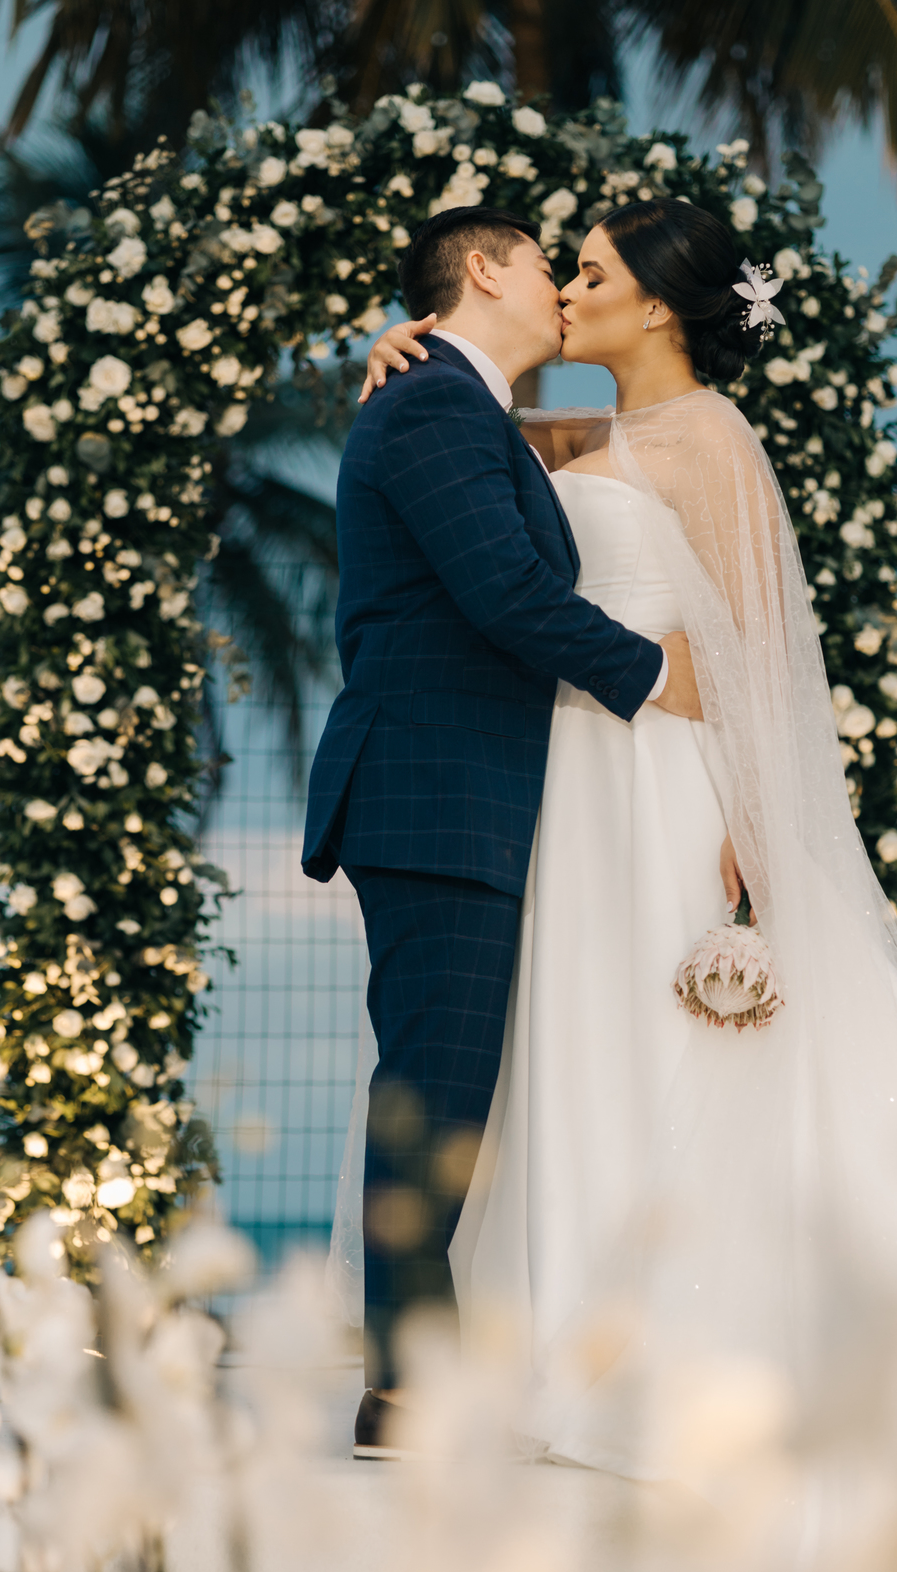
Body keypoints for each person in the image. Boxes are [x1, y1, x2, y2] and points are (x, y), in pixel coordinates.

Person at [345, 195, 897, 1529]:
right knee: (562, 1048)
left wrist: (748, 829)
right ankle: (566, 1330)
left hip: (656, 780)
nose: (569, 285)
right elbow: (468, 487)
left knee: (654, 1043)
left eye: (596, 270)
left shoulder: (715, 439)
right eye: (560, 267)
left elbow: (749, 653)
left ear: (660, 306)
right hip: (561, 784)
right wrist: (409, 348)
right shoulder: (571, 427)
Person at [301, 206, 704, 1458]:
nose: (561, 284)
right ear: (484, 270)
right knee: (433, 1092)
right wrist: (654, 677)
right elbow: (505, 591)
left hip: (458, 791)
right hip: (433, 791)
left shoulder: (458, 403)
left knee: (448, 1084)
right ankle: (407, 1392)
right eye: (545, 262)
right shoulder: (433, 408)